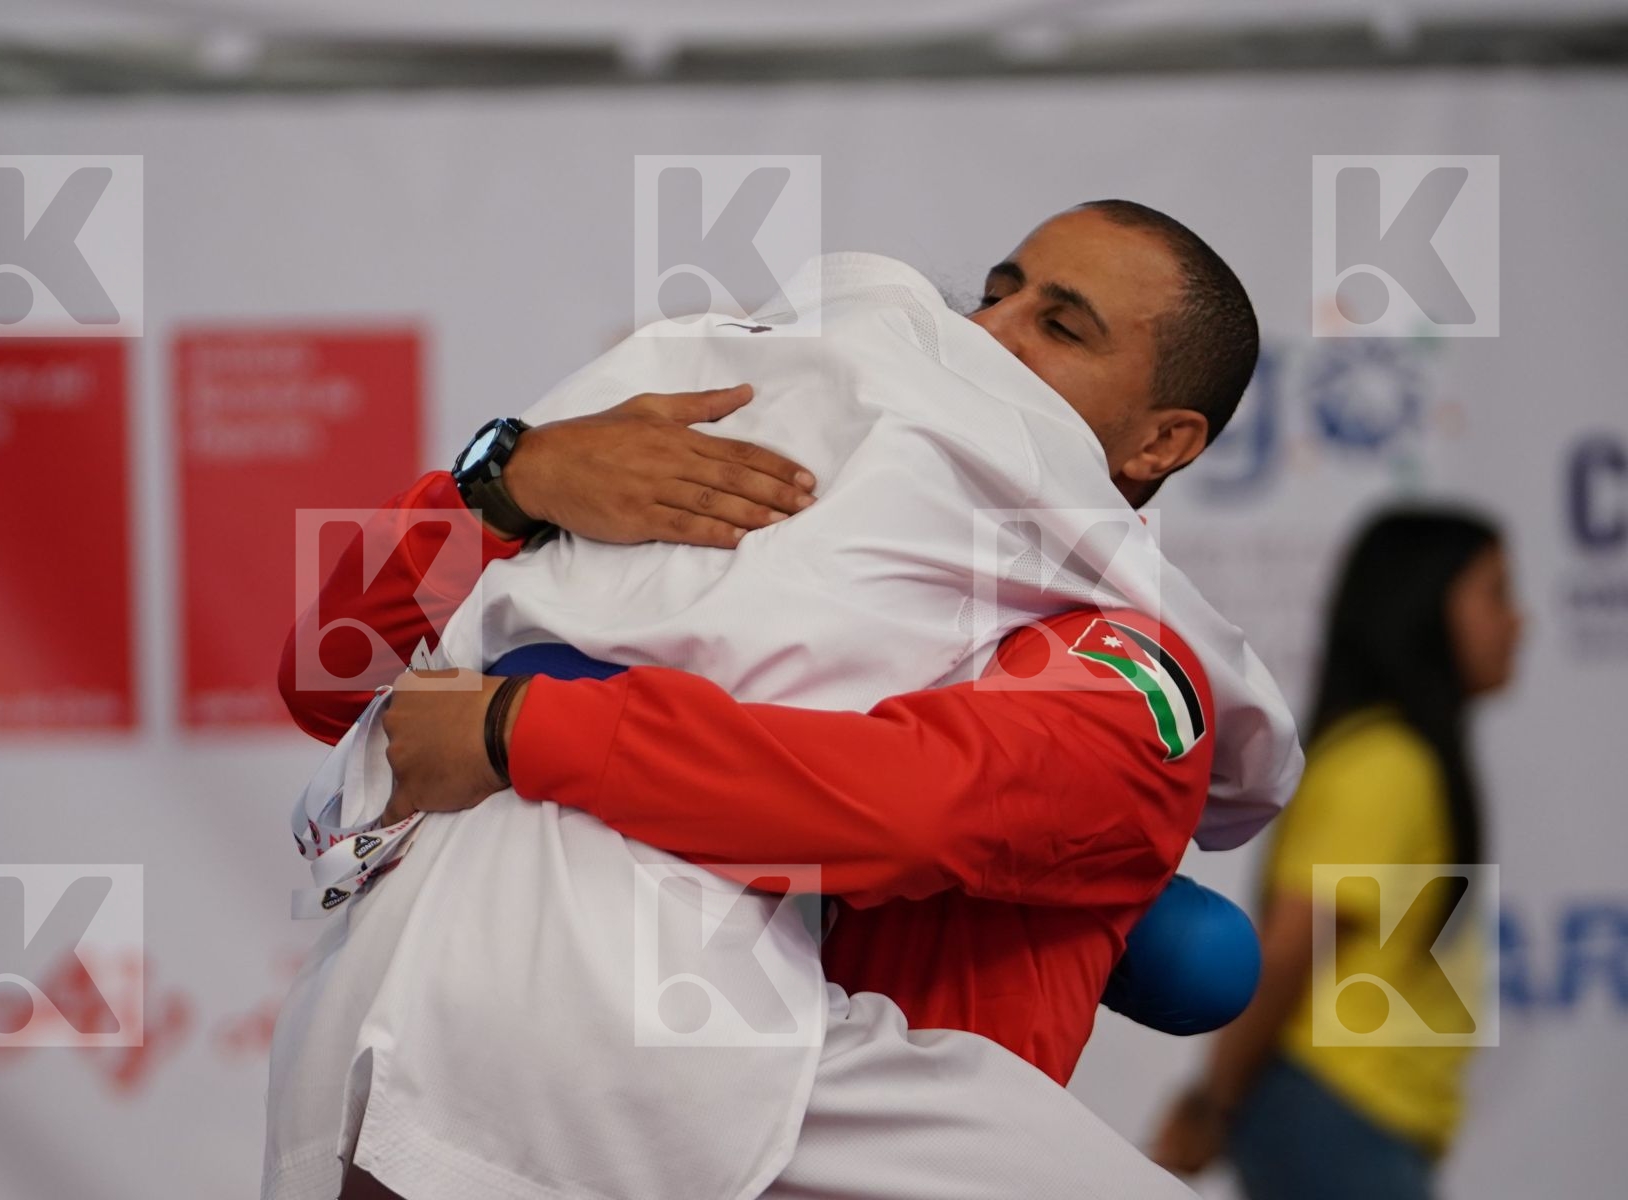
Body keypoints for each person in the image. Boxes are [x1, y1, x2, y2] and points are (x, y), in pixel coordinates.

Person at [265, 203, 1302, 1200]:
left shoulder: (1127, 662)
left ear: (1161, 444)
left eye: (1060, 326)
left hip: (798, 1129)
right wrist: (513, 482)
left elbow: (905, 803)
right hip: (579, 1064)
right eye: (995, 293)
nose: (989, 331)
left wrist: (518, 724)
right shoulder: (741, 493)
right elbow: (327, 673)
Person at [1150, 508, 1522, 1200]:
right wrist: (1212, 1103)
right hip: (1333, 1112)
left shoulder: (1404, 761)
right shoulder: (1387, 766)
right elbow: (1294, 946)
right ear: (1424, 603)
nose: (1517, 621)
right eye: (1496, 592)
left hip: (1353, 1119)